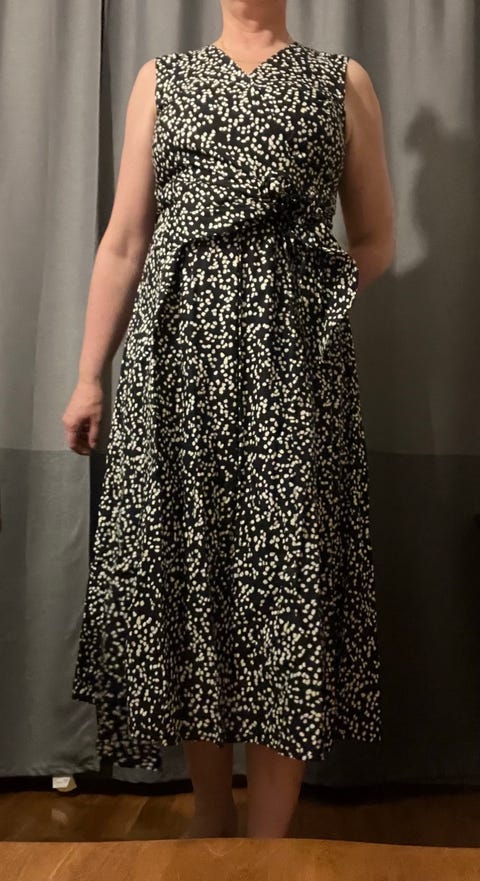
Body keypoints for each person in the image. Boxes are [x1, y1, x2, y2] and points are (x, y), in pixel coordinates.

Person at [62, 0, 394, 841]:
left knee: (285, 585)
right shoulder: (162, 81)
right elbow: (125, 240)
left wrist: (300, 305)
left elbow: (376, 238)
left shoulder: (340, 83)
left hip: (294, 379)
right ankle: (212, 819)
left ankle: (268, 844)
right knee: (190, 577)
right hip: (175, 367)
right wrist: (88, 376)